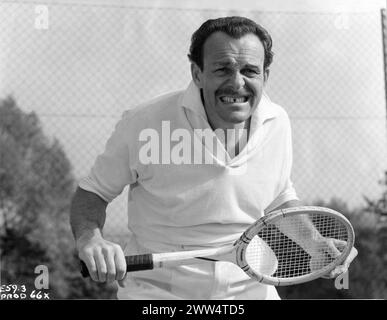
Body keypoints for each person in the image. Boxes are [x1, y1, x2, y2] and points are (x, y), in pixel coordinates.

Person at [70, 16, 357, 299]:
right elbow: (93, 192)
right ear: (197, 74)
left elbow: (278, 195)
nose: (237, 82)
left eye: (250, 71)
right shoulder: (143, 122)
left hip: (252, 284)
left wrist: (316, 243)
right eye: (223, 69)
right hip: (158, 291)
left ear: (265, 76)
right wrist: (90, 239)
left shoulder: (278, 121)